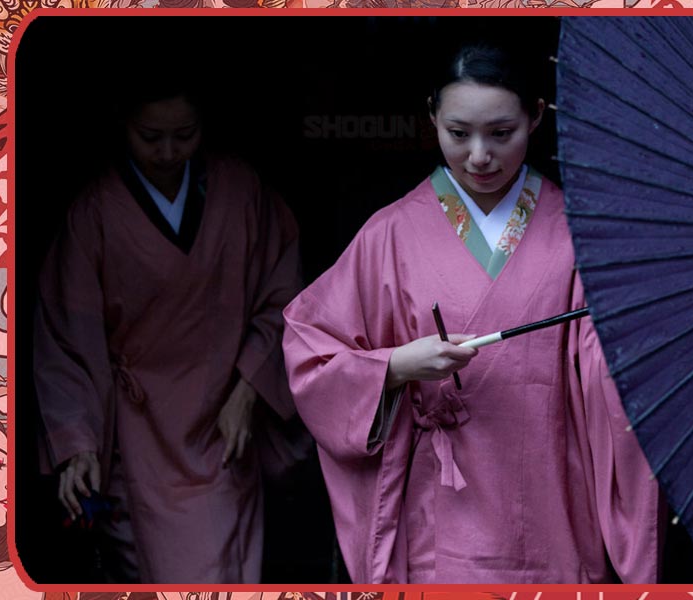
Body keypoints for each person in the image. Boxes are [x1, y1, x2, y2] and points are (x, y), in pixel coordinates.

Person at [282, 43, 662, 583]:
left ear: (536, 115)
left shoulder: (579, 233)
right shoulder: (390, 232)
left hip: (550, 496)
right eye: (458, 134)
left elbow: (613, 374)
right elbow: (310, 348)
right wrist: (392, 367)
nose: (479, 155)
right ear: (432, 116)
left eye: (501, 133)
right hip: (437, 509)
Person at [33, 69, 303, 583]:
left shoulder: (239, 189)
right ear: (122, 123)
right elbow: (66, 340)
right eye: (150, 137)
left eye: (185, 135)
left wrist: (249, 389)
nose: (168, 152)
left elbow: (285, 295)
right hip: (136, 434)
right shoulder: (93, 213)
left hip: (223, 423)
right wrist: (77, 445)